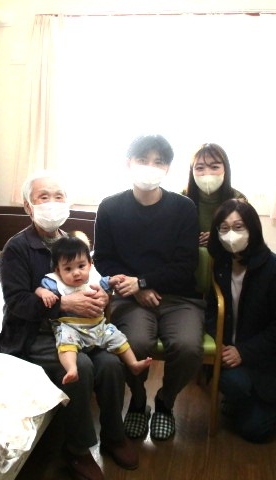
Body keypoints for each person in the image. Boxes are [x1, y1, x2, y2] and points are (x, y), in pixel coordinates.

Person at [0, 171, 138, 480]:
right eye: (43, 197)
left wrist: (103, 296)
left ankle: (114, 435)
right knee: (81, 366)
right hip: (33, 334)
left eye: (59, 196)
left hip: (80, 329)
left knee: (111, 364)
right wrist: (65, 305)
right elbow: (17, 302)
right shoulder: (17, 249)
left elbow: (91, 279)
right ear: (29, 207)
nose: (53, 203)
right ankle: (78, 450)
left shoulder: (71, 244)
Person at [93, 134, 204, 441]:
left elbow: (186, 264)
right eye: (142, 160)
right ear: (128, 163)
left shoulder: (183, 208)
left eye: (158, 162)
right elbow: (103, 258)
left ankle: (166, 402)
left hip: (179, 297)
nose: (150, 167)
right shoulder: (110, 207)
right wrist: (135, 289)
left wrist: (143, 282)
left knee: (188, 348)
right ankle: (138, 402)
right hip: (130, 298)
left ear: (167, 168)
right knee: (133, 343)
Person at [206, 198, 276, 443]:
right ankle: (245, 397)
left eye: (238, 227)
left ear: (253, 229)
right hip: (232, 352)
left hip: (267, 357)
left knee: (255, 431)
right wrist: (218, 342)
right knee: (230, 382)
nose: (231, 234)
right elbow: (210, 311)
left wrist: (244, 352)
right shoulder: (220, 266)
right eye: (224, 228)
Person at [35, 234, 152, 384]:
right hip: (70, 326)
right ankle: (71, 369)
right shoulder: (54, 282)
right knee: (65, 343)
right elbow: (38, 289)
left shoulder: (94, 278)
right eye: (68, 269)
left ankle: (133, 364)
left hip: (97, 325)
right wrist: (43, 293)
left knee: (117, 337)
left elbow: (106, 283)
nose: (76, 272)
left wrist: (113, 280)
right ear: (58, 271)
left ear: (90, 264)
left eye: (81, 266)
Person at [184, 143, 247, 295]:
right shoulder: (181, 199)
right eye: (200, 168)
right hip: (188, 264)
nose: (207, 174)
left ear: (225, 169)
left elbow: (248, 238)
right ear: (192, 171)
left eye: (214, 167)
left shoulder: (238, 200)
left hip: (226, 261)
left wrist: (219, 237)